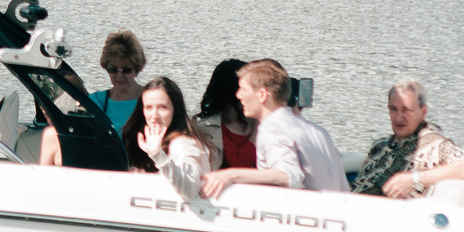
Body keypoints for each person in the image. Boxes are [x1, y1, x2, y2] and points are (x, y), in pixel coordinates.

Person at [202, 60, 345, 196]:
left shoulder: (273, 129)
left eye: (243, 89)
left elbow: (289, 176)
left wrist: (230, 175)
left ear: (262, 95)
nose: (238, 95)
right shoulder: (316, 130)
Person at [353, 78, 464, 204]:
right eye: (393, 109)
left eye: (406, 110)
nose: (398, 118)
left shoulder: (436, 146)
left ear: (423, 112)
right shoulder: (379, 146)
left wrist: (414, 179)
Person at [122, 76, 216, 181]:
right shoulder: (138, 141)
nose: (154, 116)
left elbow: (188, 188)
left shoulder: (185, 144)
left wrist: (158, 155)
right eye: (148, 107)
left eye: (163, 107)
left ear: (175, 110)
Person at [193, 59, 257, 171]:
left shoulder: (259, 123)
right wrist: (258, 126)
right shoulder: (206, 129)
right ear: (234, 91)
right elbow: (241, 164)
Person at [96, 31, 146, 133]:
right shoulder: (96, 102)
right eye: (113, 69)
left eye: (126, 70)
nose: (119, 76)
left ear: (136, 69)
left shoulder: (152, 100)